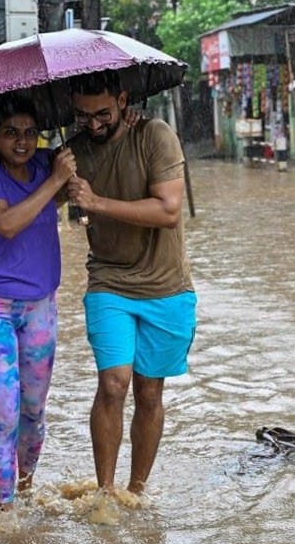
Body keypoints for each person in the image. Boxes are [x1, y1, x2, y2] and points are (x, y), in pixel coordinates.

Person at [63, 73, 196, 506]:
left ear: (122, 101)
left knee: (150, 391)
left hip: (166, 286)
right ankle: (105, 494)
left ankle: (136, 492)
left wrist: (97, 203)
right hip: (108, 281)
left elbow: (169, 210)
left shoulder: (155, 135)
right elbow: (40, 201)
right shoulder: (75, 151)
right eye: (83, 116)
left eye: (103, 113)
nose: (95, 124)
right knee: (114, 384)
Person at [0, 96, 77, 513]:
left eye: (30, 131)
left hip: (40, 306)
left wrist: (66, 181)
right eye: (11, 132)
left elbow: (56, 201)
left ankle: (25, 491)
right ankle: (5, 513)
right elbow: (7, 223)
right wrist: (54, 181)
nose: (23, 141)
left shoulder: (52, 161)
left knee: (34, 414)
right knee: (6, 415)